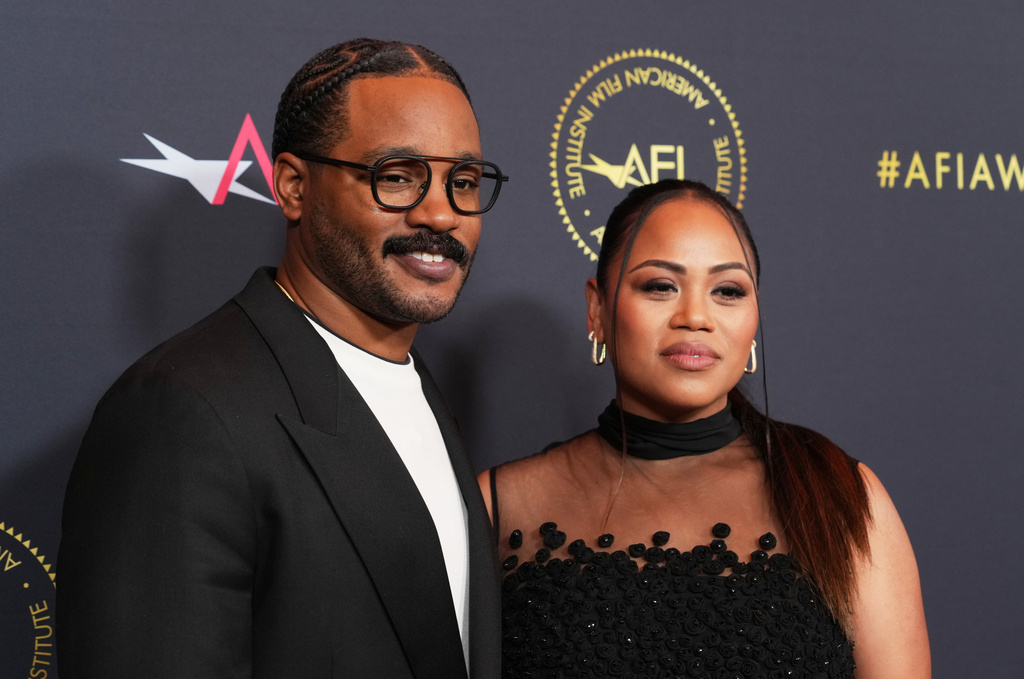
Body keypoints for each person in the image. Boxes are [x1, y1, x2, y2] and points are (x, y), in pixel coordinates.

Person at [58, 38, 507, 679]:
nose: (441, 212)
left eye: (462, 182)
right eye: (397, 176)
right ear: (294, 186)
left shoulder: (418, 390)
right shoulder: (180, 412)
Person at [479, 180, 930, 679]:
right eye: (660, 286)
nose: (695, 317)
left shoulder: (841, 496)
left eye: (727, 291)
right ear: (598, 310)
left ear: (754, 320)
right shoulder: (497, 506)